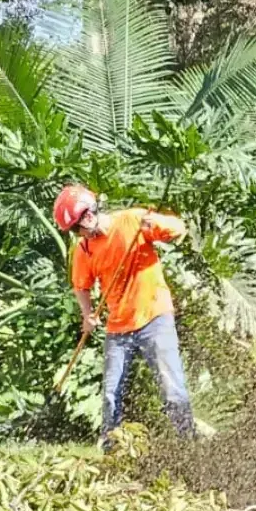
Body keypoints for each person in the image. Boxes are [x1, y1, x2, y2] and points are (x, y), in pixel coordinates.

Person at [53, 184, 195, 449]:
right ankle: (111, 451)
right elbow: (80, 286)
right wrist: (87, 315)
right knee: (110, 394)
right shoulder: (84, 251)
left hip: (155, 316)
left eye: (84, 217)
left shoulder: (131, 220)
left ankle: (189, 444)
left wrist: (157, 223)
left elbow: (178, 229)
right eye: (76, 227)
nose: (83, 227)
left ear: (93, 208)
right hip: (118, 327)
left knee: (172, 389)